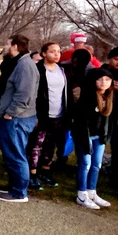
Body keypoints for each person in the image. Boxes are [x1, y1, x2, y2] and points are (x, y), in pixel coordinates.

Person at [0, 34, 39, 203]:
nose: (5, 46)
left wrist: (11, 112)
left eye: (7, 44)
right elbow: (13, 87)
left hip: (17, 118)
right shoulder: (17, 63)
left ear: (15, 46)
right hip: (12, 116)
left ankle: (19, 193)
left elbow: (25, 94)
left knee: (16, 154)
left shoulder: (26, 66)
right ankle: (14, 185)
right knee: (11, 154)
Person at [27, 42, 73, 190]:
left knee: (50, 145)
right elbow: (34, 94)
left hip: (59, 116)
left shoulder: (63, 70)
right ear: (44, 53)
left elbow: (67, 94)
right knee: (36, 145)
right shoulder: (38, 69)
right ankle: (32, 174)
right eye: (52, 51)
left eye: (59, 51)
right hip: (42, 115)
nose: (57, 54)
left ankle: (45, 171)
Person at [71, 68, 115, 210]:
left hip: (99, 137)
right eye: (100, 79)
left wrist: (106, 136)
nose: (104, 82)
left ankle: (92, 191)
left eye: (107, 80)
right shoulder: (87, 98)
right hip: (85, 136)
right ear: (93, 81)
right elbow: (81, 122)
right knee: (85, 164)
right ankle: (81, 194)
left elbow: (109, 121)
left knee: (96, 165)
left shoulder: (109, 97)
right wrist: (84, 140)